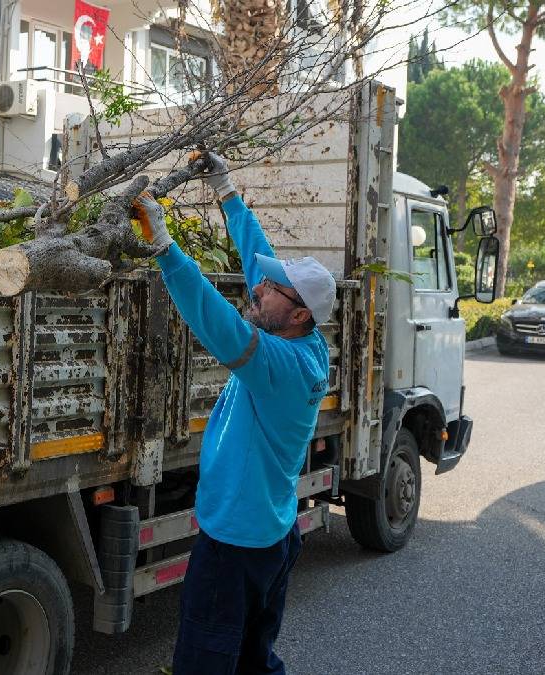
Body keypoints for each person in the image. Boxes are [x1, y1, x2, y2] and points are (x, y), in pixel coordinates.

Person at [131, 152, 336, 674]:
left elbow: (217, 322)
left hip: (235, 546)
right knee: (253, 658)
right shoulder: (304, 342)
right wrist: (226, 193)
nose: (258, 288)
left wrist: (165, 249)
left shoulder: (278, 364)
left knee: (206, 663)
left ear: (299, 313)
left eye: (271, 289)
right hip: (270, 532)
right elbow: (258, 259)